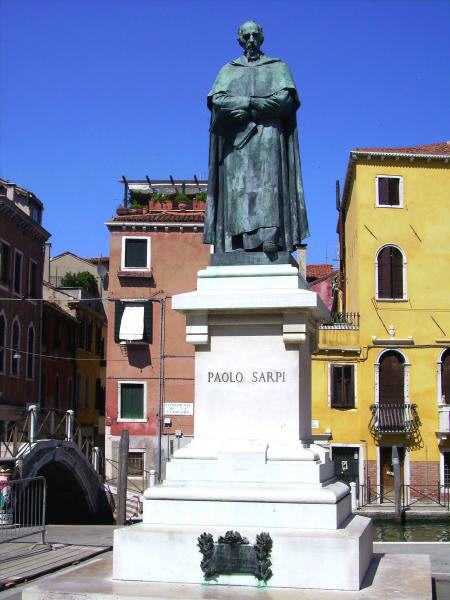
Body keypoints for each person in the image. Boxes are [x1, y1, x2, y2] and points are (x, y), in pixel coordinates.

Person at [204, 20, 309, 255]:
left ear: (261, 38)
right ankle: (240, 241)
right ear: (239, 39)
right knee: (237, 188)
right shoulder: (228, 70)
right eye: (246, 36)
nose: (251, 40)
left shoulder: (278, 67)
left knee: (268, 184)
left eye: (254, 35)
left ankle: (270, 236)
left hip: (268, 134)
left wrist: (248, 108)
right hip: (237, 139)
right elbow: (218, 101)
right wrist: (252, 102)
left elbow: (285, 101)